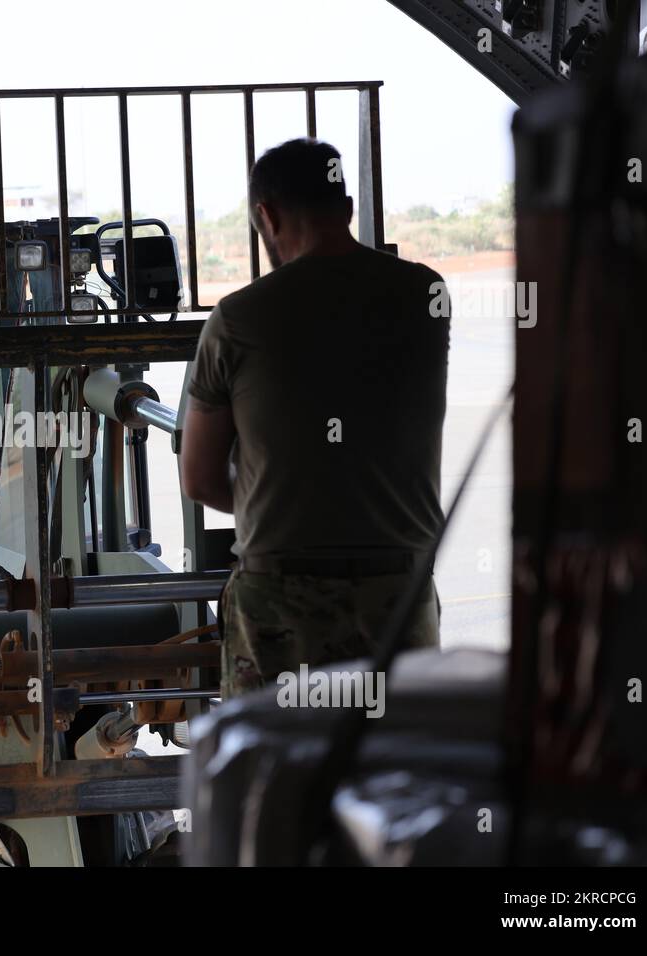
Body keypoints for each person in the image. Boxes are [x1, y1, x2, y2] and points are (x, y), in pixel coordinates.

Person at [179, 137, 449, 700]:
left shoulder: (237, 319)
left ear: (267, 215)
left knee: (277, 774)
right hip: (398, 590)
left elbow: (200, 479)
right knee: (393, 775)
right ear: (347, 209)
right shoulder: (425, 295)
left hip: (281, 599)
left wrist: (280, 494)